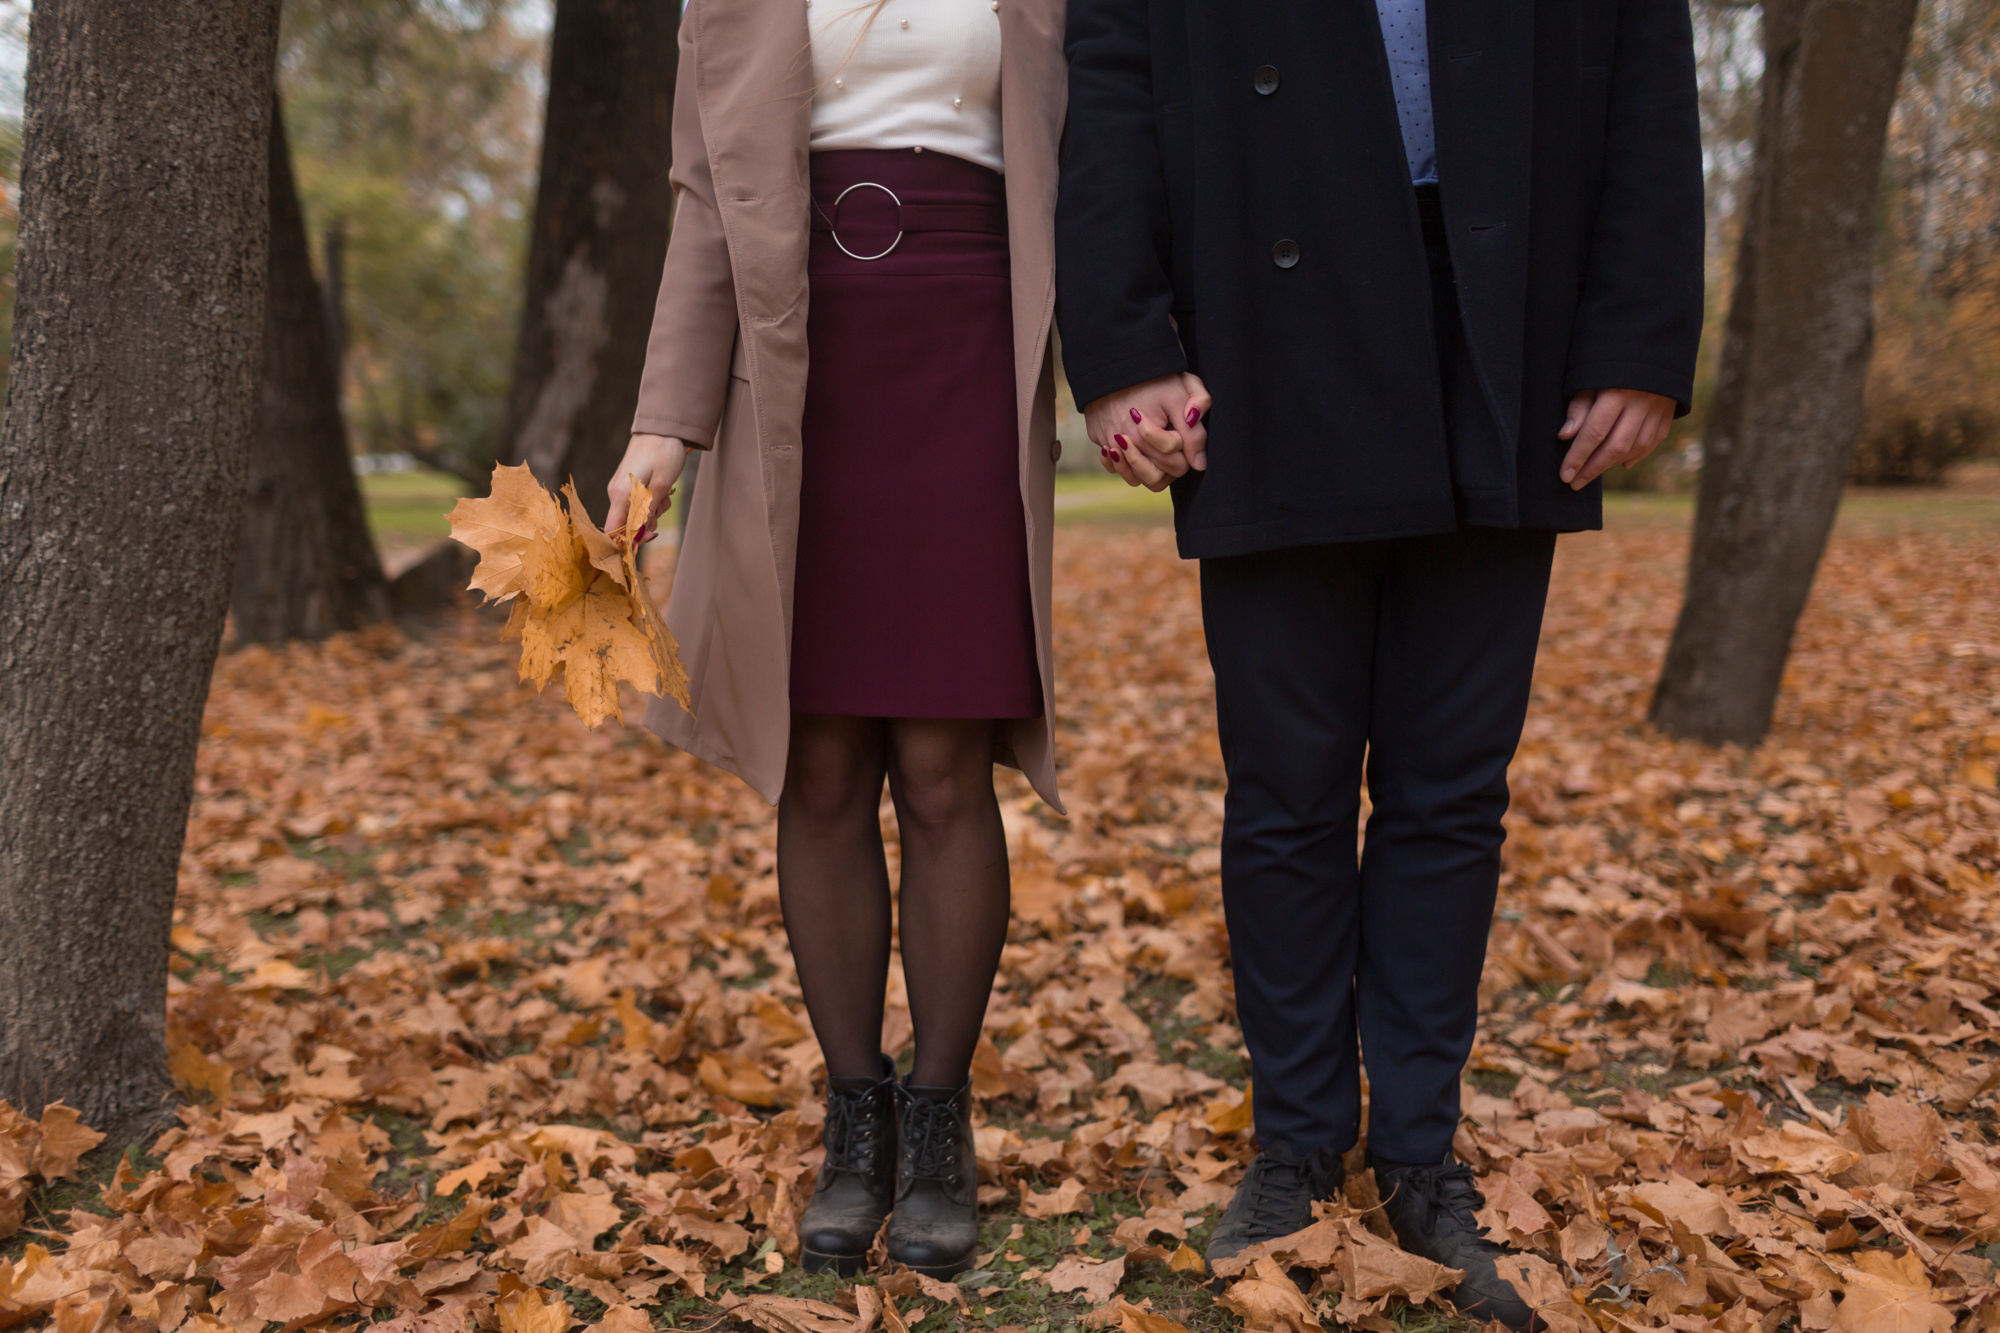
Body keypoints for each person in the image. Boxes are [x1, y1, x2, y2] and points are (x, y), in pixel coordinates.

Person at [1054, 0, 1702, 1325]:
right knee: (1286, 781)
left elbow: (1642, 56)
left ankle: (1416, 1152)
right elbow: (1111, 79)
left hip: (1502, 313)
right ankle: (1295, 1144)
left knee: (1451, 785)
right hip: (1262, 315)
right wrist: (1123, 345)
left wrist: (1637, 332)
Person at [603, 0, 1070, 1280]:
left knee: (939, 761)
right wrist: (664, 425)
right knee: (816, 766)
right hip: (791, 367)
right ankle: (853, 1118)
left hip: (968, 353)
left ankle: (938, 1117)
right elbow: (705, 204)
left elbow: (1099, 159)